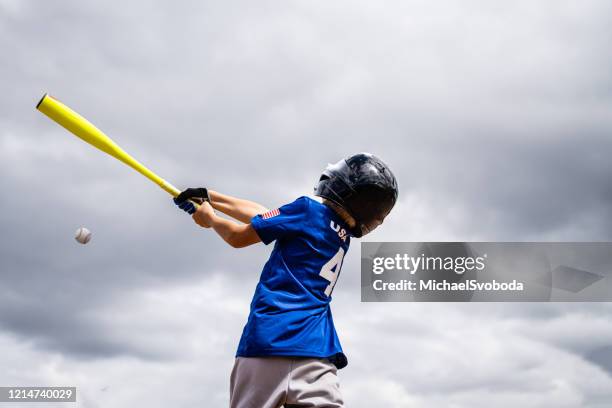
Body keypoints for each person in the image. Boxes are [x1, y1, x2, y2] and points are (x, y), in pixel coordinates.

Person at [174, 153, 398, 408]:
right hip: (316, 355)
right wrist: (211, 196)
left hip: (268, 341)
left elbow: (238, 237)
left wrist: (210, 219)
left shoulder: (307, 209)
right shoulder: (340, 234)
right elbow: (266, 215)